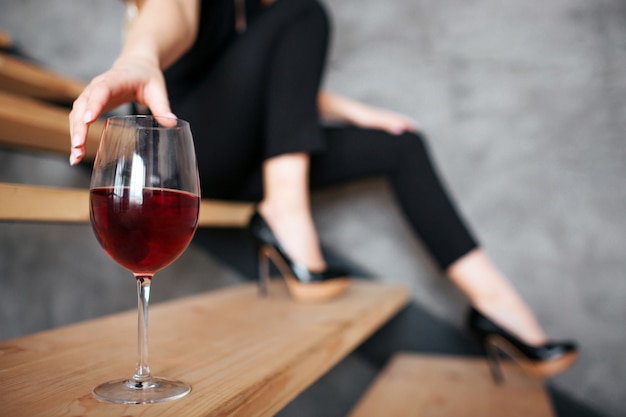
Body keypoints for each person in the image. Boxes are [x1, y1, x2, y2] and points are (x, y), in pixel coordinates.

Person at [69, 0, 577, 379]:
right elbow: (170, 17)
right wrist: (137, 61)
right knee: (305, 10)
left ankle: (497, 311)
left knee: (400, 145)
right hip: (183, 151)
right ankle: (284, 214)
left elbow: (272, 79)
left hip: (244, 154)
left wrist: (359, 114)